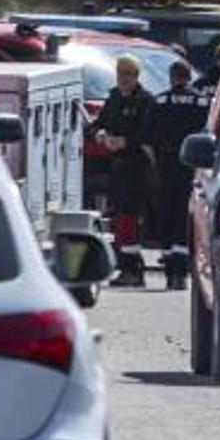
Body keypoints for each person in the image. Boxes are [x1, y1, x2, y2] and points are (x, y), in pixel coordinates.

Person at [88, 55, 155, 287]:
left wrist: (126, 142)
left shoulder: (146, 101)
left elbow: (148, 135)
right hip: (117, 167)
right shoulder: (114, 97)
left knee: (130, 218)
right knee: (119, 217)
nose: (123, 79)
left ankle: (134, 270)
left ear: (136, 76)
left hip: (137, 167)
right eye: (120, 74)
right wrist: (99, 133)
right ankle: (126, 267)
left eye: (128, 74)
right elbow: (99, 123)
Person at [145, 59, 211, 291]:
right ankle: (181, 273)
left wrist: (156, 163)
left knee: (166, 213)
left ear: (172, 77)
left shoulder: (159, 100)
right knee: (186, 214)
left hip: (165, 163)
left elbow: (148, 139)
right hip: (192, 165)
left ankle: (169, 270)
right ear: (189, 76)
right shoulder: (203, 102)